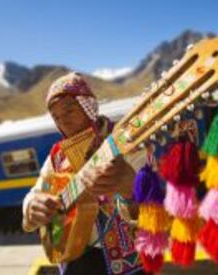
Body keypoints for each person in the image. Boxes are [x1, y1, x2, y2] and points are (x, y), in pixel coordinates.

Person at [22, 72, 148, 275]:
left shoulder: (124, 142)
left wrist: (130, 187)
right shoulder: (56, 157)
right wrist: (32, 206)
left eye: (69, 111)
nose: (63, 121)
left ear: (88, 106)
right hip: (74, 257)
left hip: (128, 263)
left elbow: (155, 206)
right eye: (56, 117)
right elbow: (37, 192)